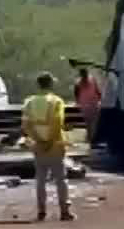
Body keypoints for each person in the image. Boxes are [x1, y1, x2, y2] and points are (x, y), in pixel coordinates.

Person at [22, 72, 76, 222]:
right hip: (55, 144)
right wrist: (50, 141)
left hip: (38, 145)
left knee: (40, 179)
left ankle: (41, 210)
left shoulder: (29, 102)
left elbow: (26, 125)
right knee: (61, 179)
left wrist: (39, 140)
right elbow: (58, 122)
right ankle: (64, 210)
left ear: (38, 84)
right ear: (51, 84)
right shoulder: (56, 101)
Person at [73, 68, 101, 143]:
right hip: (92, 103)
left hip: (85, 104)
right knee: (93, 122)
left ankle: (89, 137)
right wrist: (100, 99)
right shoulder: (92, 79)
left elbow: (76, 94)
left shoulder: (78, 82)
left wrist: (77, 102)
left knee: (89, 122)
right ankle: (92, 138)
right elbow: (97, 91)